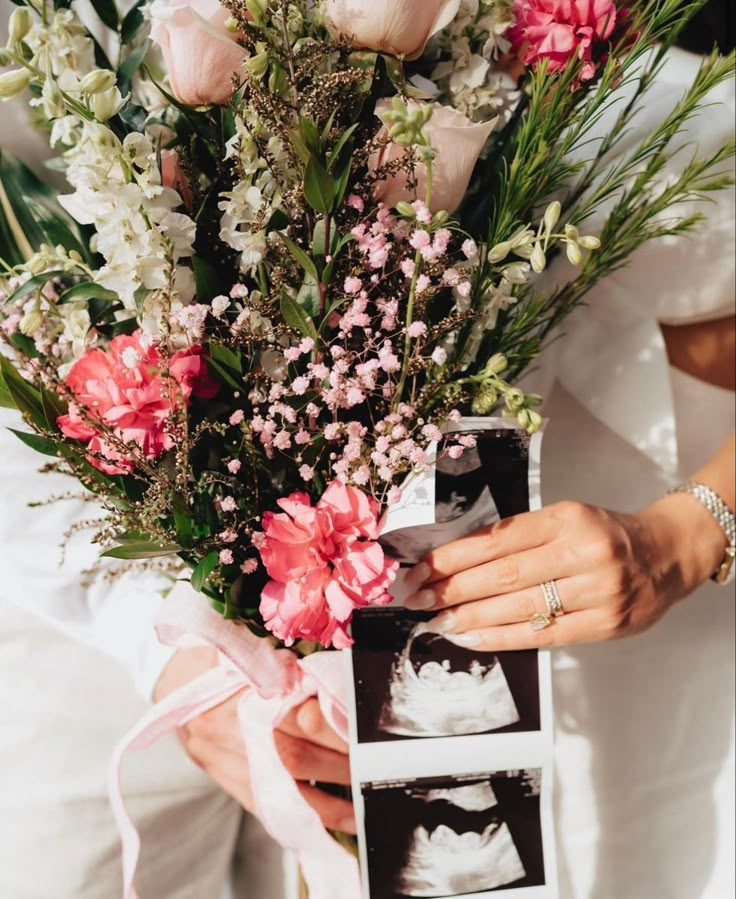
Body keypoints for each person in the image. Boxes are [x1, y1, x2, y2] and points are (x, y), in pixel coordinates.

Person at [166, 42, 735, 899]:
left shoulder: (672, 121)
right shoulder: (186, 110)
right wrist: (186, 655)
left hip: (690, 666)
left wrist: (690, 533)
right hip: (385, 733)